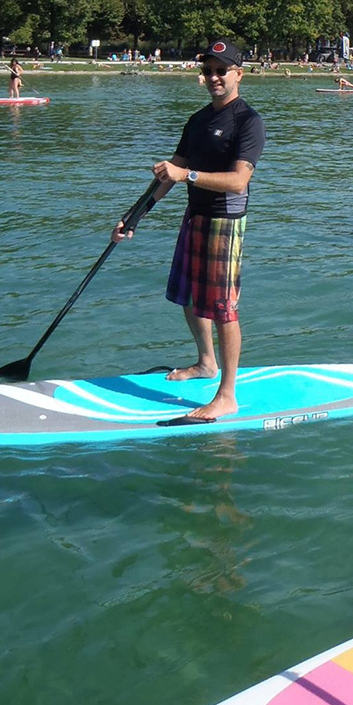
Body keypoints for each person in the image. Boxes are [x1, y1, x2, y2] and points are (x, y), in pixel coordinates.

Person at [113, 39, 265, 423]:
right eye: (208, 71)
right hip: (194, 217)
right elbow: (170, 174)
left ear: (238, 74)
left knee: (223, 309)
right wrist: (134, 216)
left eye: (222, 70)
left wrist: (188, 175)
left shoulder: (248, 122)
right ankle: (206, 363)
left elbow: (238, 181)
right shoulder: (197, 121)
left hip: (225, 222)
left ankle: (227, 396)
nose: (214, 77)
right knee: (189, 298)